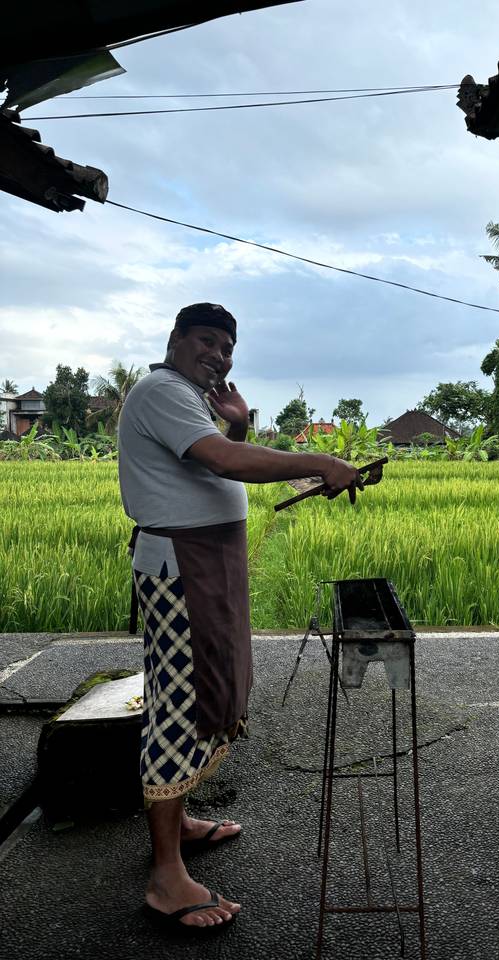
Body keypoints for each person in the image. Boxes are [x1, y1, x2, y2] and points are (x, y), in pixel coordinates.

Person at [117, 302, 362, 930]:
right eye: (206, 341)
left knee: (209, 688)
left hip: (206, 563)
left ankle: (181, 820)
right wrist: (319, 462)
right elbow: (222, 465)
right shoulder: (161, 390)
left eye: (227, 349)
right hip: (182, 568)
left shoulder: (193, 399)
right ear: (174, 340)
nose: (218, 357)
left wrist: (240, 425)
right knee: (180, 705)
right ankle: (166, 876)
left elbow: (219, 457)